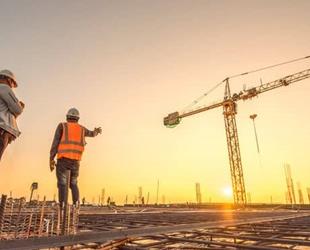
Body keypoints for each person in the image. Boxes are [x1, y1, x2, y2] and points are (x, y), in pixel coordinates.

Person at [50, 108, 101, 206]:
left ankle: (63, 204)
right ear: (78, 118)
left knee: (62, 183)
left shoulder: (62, 126)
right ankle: (76, 203)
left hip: (63, 160)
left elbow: (55, 143)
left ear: (67, 117)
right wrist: (97, 131)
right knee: (73, 183)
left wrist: (51, 158)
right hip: (76, 161)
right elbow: (92, 134)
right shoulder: (82, 129)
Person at [0, 69, 25, 161]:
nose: (12, 86)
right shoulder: (4, 88)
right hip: (2, 130)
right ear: (9, 80)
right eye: (13, 84)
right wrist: (21, 106)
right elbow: (17, 110)